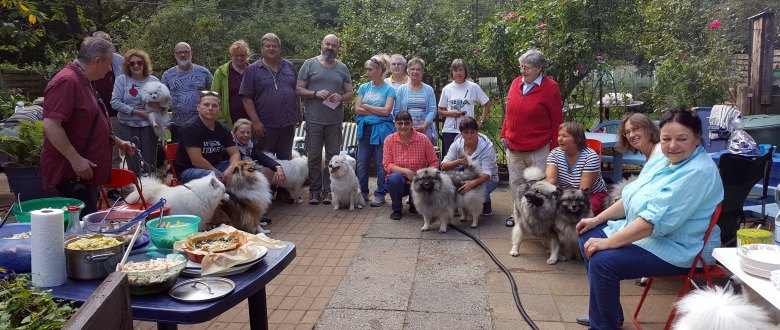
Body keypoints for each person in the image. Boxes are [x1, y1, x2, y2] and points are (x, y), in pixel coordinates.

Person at [575, 108, 723, 329]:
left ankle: (602, 324)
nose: (672, 145)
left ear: (697, 138)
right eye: (666, 139)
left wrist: (607, 242)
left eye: (682, 139)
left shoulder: (696, 172)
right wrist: (596, 220)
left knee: (603, 261)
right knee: (587, 234)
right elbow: (632, 196)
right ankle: (607, 314)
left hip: (679, 247)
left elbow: (651, 222)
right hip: (648, 236)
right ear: (660, 137)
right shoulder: (663, 158)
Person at [41, 36, 136, 217]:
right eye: (109, 64)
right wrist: (75, 159)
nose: (110, 70)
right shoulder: (67, 81)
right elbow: (51, 124)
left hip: (85, 176)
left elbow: (89, 122)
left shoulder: (83, 80)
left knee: (87, 228)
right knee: (77, 234)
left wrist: (117, 141)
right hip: (70, 176)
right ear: (97, 61)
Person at [501, 49, 563, 227]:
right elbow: (509, 112)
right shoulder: (515, 83)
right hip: (513, 146)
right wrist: (504, 133)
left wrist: (555, 147)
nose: (523, 71)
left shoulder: (550, 88)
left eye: (527, 68)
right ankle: (517, 215)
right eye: (521, 67)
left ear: (539, 68)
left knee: (538, 184)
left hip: (538, 146)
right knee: (515, 183)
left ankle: (538, 218)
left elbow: (557, 120)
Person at [295, 34, 354, 205]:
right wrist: (315, 93)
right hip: (313, 119)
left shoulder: (342, 67)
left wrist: (341, 97)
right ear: (322, 44)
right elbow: (298, 89)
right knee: (313, 156)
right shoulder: (309, 64)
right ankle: (314, 191)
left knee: (332, 158)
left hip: (335, 120)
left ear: (338, 48)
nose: (330, 48)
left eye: (333, 45)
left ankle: (329, 191)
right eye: (327, 44)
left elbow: (350, 93)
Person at [110, 49, 160, 176]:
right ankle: (135, 190)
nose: (136, 65)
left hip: (148, 125)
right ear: (127, 65)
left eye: (139, 62)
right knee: (132, 160)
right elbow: (114, 102)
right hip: (127, 125)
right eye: (132, 63)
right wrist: (138, 112)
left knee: (150, 160)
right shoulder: (122, 80)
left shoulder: (153, 80)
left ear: (145, 64)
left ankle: (151, 190)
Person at [382, 111, 439, 220]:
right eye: (399, 123)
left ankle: (415, 204)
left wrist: (424, 177)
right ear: (395, 124)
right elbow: (387, 164)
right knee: (394, 178)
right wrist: (406, 171)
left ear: (412, 123)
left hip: (419, 182)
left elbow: (434, 162)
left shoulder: (423, 139)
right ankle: (397, 208)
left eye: (407, 123)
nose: (403, 126)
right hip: (399, 182)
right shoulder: (389, 140)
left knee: (415, 209)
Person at [355, 54, 396, 207]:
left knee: (381, 163)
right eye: (367, 69)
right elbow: (357, 109)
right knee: (362, 162)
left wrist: (367, 107)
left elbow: (387, 112)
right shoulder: (364, 87)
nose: (368, 72)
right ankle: (362, 192)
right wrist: (374, 111)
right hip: (365, 129)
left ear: (380, 70)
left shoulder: (389, 89)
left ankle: (380, 194)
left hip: (382, 131)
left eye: (371, 69)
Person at [173, 91, 240, 183]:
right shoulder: (190, 128)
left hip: (216, 165)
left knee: (245, 171)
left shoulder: (223, 128)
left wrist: (231, 169)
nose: (210, 108)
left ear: (220, 109)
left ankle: (245, 197)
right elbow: (197, 161)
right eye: (206, 105)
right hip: (189, 170)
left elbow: (235, 153)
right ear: (198, 107)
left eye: (215, 106)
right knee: (216, 179)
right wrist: (220, 174)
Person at [545, 122, 608, 214]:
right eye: (559, 136)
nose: (560, 139)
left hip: (590, 194)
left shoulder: (590, 156)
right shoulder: (554, 154)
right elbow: (550, 182)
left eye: (565, 136)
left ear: (577, 139)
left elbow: (584, 190)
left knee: (583, 212)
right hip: (564, 195)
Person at [440, 117, 499, 216]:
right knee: (452, 178)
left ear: (477, 131)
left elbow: (488, 174)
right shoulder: (456, 145)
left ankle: (485, 201)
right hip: (466, 175)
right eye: (466, 133)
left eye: (472, 132)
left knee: (473, 195)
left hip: (488, 180)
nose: (469, 136)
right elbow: (443, 166)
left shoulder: (487, 147)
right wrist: (457, 162)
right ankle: (459, 202)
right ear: (461, 133)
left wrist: (473, 183)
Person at [161, 42, 213, 142]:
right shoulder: (167, 75)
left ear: (191, 54)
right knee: (180, 156)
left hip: (202, 123)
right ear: (175, 55)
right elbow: (162, 101)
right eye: (179, 52)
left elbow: (214, 95)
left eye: (186, 52)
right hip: (178, 125)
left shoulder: (204, 72)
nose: (183, 55)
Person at [438, 59, 491, 155]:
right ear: (452, 72)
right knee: (450, 161)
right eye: (455, 70)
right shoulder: (447, 89)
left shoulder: (473, 87)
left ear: (465, 71)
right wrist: (452, 113)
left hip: (468, 131)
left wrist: (480, 121)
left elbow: (487, 103)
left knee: (468, 160)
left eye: (461, 70)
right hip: (450, 130)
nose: (458, 73)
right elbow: (440, 111)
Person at [91, 31, 124, 170]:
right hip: (94, 113)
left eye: (104, 42)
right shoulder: (84, 61)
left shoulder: (118, 60)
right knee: (96, 149)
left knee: (115, 151)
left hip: (114, 113)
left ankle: (114, 188)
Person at [393, 57, 438, 145]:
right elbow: (397, 111)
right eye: (412, 69)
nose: (415, 72)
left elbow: (432, 110)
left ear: (422, 71)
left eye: (418, 69)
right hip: (404, 128)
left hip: (425, 128)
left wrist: (424, 127)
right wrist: (405, 126)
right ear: (408, 71)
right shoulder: (401, 89)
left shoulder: (429, 89)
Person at [231, 118, 286, 188]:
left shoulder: (251, 144)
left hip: (251, 171)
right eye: (242, 132)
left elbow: (262, 157)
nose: (246, 135)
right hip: (236, 175)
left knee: (269, 171)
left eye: (248, 132)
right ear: (235, 133)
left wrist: (278, 167)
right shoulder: (231, 145)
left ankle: (259, 194)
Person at [211, 40, 251, 129]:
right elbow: (214, 97)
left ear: (247, 56)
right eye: (237, 55)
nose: (240, 58)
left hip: (251, 120)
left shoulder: (253, 71)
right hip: (229, 121)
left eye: (242, 55)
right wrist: (221, 119)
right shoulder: (221, 72)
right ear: (232, 55)